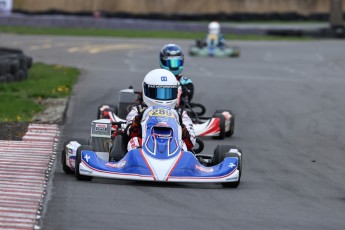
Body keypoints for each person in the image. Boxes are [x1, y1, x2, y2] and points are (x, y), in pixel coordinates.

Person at [126, 68, 196, 152]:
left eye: (167, 93)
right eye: (158, 93)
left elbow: (191, 142)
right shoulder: (138, 110)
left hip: (173, 150)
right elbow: (128, 134)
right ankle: (139, 162)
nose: (162, 97)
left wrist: (181, 127)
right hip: (145, 150)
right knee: (134, 141)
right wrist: (138, 121)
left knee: (183, 145)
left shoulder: (180, 113)